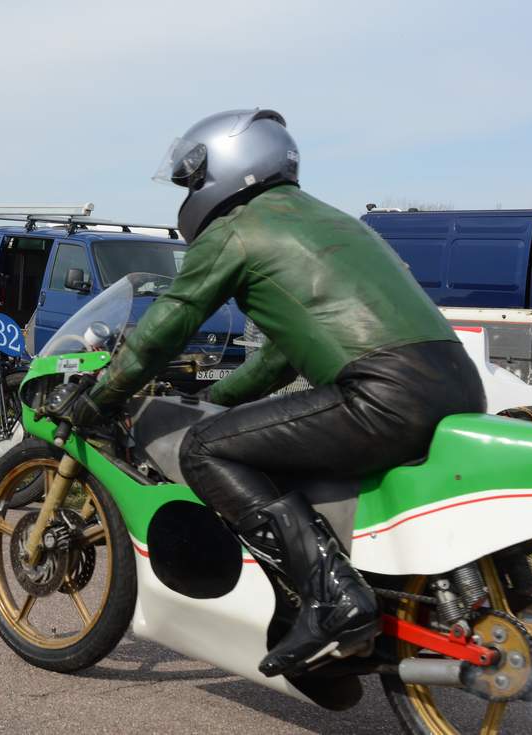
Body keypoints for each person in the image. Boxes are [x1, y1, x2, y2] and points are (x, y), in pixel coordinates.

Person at [45, 109, 485, 677]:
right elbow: (281, 356)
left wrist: (101, 396)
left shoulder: (237, 228)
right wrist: (220, 400)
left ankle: (333, 598)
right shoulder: (331, 221)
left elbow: (168, 323)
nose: (190, 195)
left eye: (191, 181)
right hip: (454, 383)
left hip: (382, 394)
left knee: (205, 449)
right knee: (257, 445)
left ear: (224, 169)